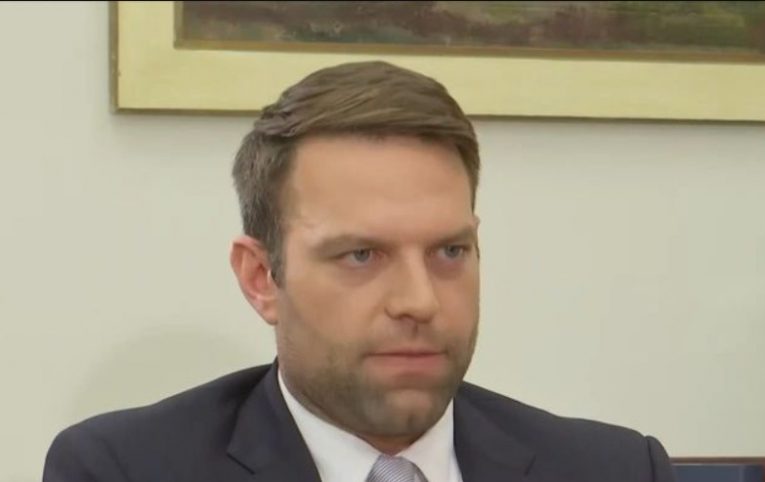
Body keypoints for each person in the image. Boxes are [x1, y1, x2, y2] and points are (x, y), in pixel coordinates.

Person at [43, 61, 676, 482]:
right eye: (361, 256)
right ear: (261, 278)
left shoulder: (615, 470)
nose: (419, 301)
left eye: (449, 252)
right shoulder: (124, 470)